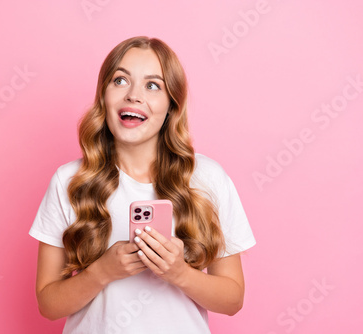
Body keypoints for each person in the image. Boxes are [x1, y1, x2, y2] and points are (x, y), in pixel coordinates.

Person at [30, 36, 256, 333]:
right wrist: (102, 272)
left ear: (171, 105)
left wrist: (179, 273)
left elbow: (232, 300)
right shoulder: (70, 181)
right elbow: (48, 304)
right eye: (120, 80)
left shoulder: (207, 178)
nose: (134, 96)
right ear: (104, 96)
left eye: (153, 85)